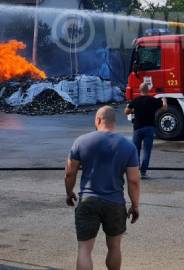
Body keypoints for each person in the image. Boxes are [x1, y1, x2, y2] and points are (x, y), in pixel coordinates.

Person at [65, 106, 141, 270]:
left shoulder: (81, 141)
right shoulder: (128, 146)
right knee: (114, 247)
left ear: (98, 120)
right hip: (114, 202)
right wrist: (135, 206)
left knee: (84, 249)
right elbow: (134, 180)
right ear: (114, 122)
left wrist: (69, 192)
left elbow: (70, 173)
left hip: (88, 201)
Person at [124, 82, 168, 179]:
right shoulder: (153, 100)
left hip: (137, 129)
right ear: (148, 90)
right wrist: (164, 100)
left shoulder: (135, 100)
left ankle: (136, 171)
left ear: (140, 90)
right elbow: (164, 108)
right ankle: (143, 172)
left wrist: (132, 109)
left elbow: (126, 112)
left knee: (136, 151)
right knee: (147, 151)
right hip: (149, 129)